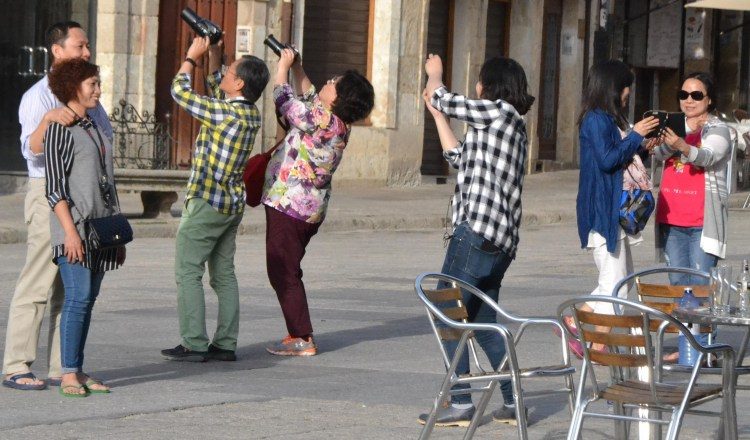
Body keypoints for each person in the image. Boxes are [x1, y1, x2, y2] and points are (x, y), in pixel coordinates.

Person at [417, 54, 535, 427]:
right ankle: (514, 401)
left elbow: (443, 97)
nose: (476, 88)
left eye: (479, 82)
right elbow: (459, 156)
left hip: (477, 231)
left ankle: (461, 400)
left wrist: (435, 74)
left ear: (490, 86)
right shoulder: (507, 125)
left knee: (446, 313)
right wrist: (438, 117)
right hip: (499, 242)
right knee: (483, 322)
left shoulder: (497, 112)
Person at [2, 21, 112, 391]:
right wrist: (49, 120)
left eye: (87, 46)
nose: (86, 52)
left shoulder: (89, 97)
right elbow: (30, 150)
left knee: (72, 284)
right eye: (80, 46)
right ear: (57, 50)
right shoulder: (40, 96)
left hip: (82, 195)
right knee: (38, 278)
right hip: (47, 190)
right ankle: (17, 364)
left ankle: (63, 366)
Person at [161, 37, 269, 362]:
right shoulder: (249, 113)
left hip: (207, 201)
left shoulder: (223, 113)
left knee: (188, 271)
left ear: (238, 83)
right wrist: (216, 54)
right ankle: (225, 343)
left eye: (230, 70)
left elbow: (180, 92)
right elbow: (217, 84)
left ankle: (194, 342)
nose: (225, 72)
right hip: (231, 202)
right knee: (223, 273)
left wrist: (191, 58)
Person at [262, 49, 374, 356]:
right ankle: (297, 332)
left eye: (333, 82)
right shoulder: (335, 122)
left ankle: (302, 337)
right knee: (287, 267)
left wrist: (283, 68)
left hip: (291, 206)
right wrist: (298, 67)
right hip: (303, 207)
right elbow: (310, 93)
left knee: (283, 269)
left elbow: (286, 102)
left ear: (338, 98)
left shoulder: (321, 119)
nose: (327, 82)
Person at [44, 58, 124, 397]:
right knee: (76, 299)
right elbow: (54, 188)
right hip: (74, 230)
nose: (98, 90)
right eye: (92, 84)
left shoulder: (95, 124)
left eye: (97, 83)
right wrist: (70, 233)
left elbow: (108, 182)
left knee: (88, 300)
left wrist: (116, 232)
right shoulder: (59, 128)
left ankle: (77, 367)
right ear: (73, 87)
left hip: (100, 229)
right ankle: (68, 374)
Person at [569, 60, 659, 355]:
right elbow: (607, 161)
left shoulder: (609, 119)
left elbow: (618, 161)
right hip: (602, 210)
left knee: (623, 277)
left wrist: (641, 147)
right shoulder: (596, 119)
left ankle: (580, 323)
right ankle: (591, 338)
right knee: (616, 282)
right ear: (613, 88)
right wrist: (635, 135)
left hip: (614, 208)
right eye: (625, 87)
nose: (628, 93)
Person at [653, 72, 731, 285]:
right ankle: (682, 320)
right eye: (683, 94)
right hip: (671, 219)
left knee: (700, 287)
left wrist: (682, 145)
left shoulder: (719, 129)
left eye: (696, 95)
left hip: (702, 223)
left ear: (709, 99)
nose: (689, 100)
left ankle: (699, 321)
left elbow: (707, 156)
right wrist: (683, 133)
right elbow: (657, 153)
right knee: (678, 285)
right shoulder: (673, 125)